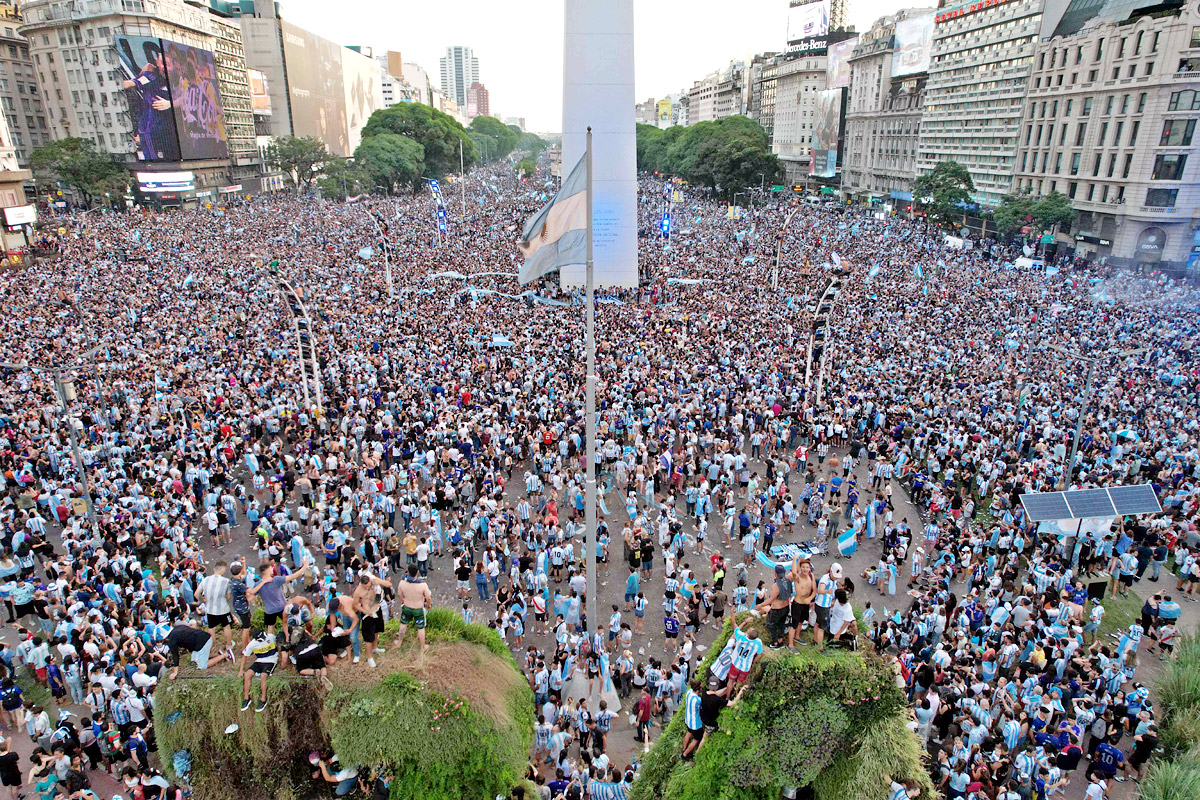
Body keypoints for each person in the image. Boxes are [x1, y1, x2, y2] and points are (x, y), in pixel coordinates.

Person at [239, 628, 279, 713]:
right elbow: (244, 656)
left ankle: (263, 699)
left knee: (263, 676)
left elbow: (279, 645)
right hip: (259, 661)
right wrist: (241, 670)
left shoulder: (271, 637)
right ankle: (246, 698)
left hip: (271, 660)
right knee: (247, 675)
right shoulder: (252, 644)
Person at [395, 564, 432, 653]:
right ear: (418, 572)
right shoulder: (422, 585)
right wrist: (429, 604)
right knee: (420, 628)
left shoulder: (402, 582)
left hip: (407, 606)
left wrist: (402, 601)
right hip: (418, 608)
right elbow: (428, 597)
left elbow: (399, 594)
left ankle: (399, 642)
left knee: (403, 624)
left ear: (408, 572)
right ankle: (422, 646)